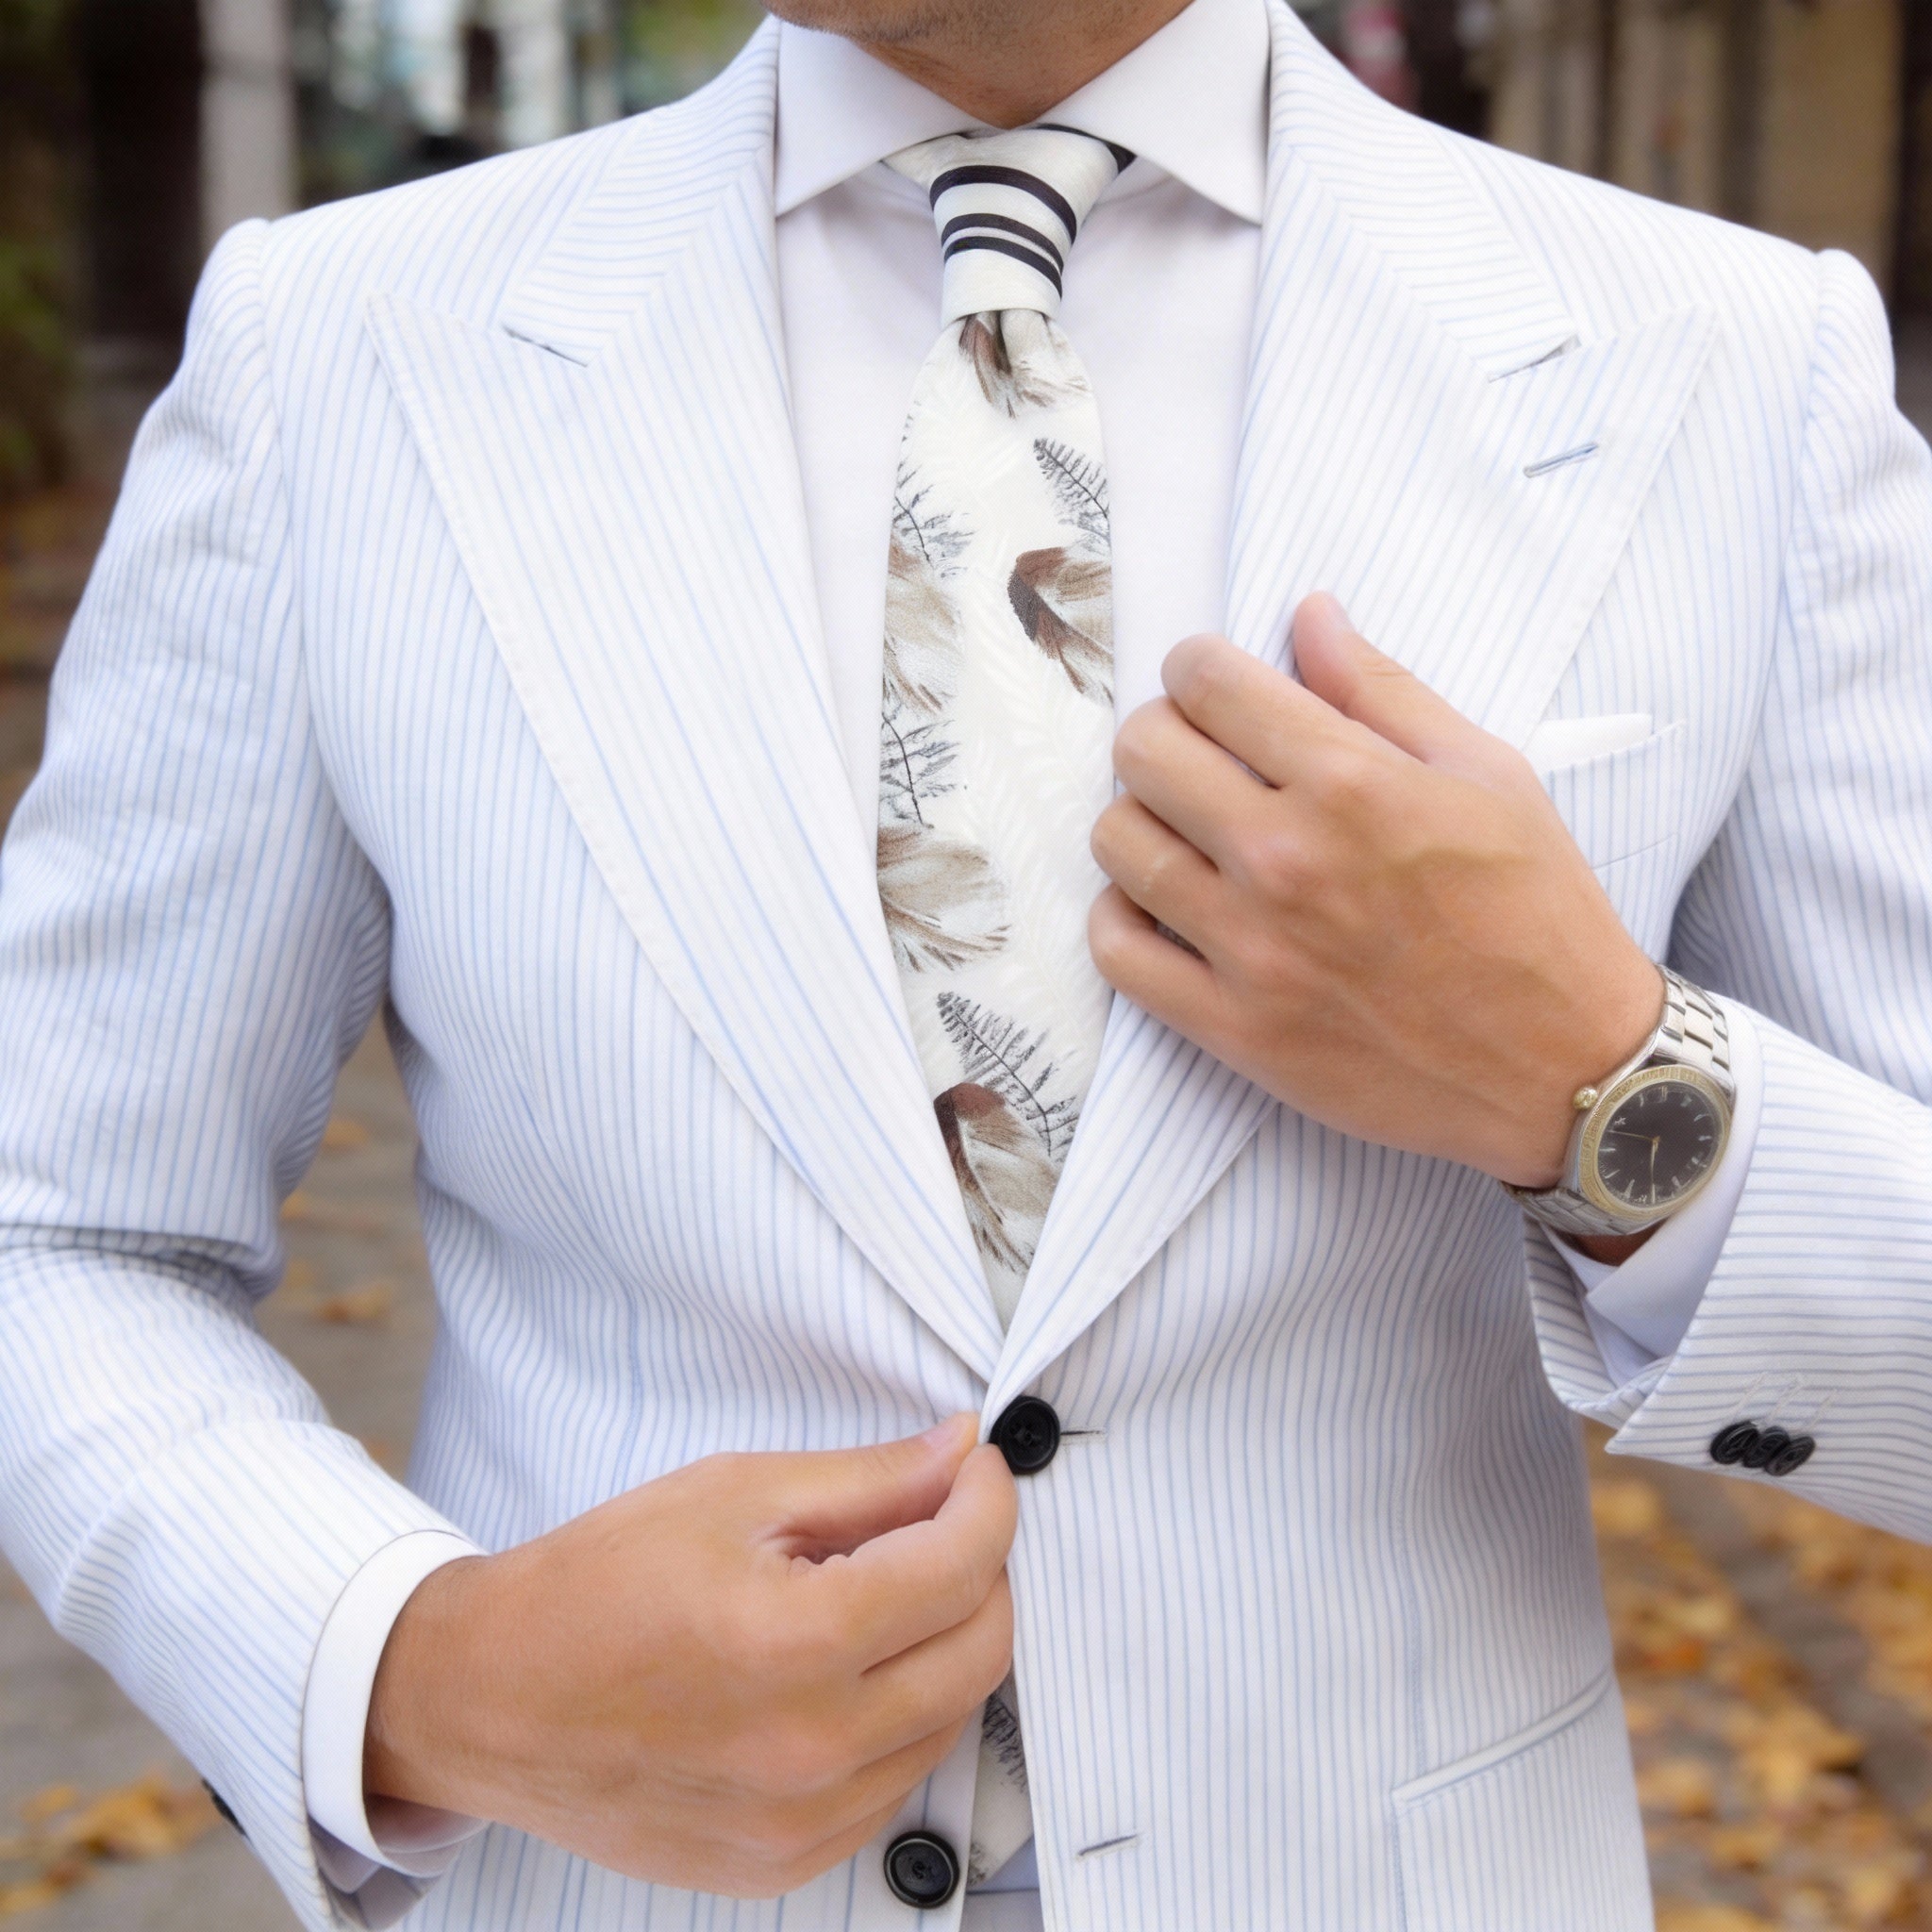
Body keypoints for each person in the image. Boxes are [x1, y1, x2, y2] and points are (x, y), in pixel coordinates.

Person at [1, 0, 1928, 1924]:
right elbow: (60, 1227)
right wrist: (420, 1668)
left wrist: (1601, 1083)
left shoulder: (1732, 369)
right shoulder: (334, 350)